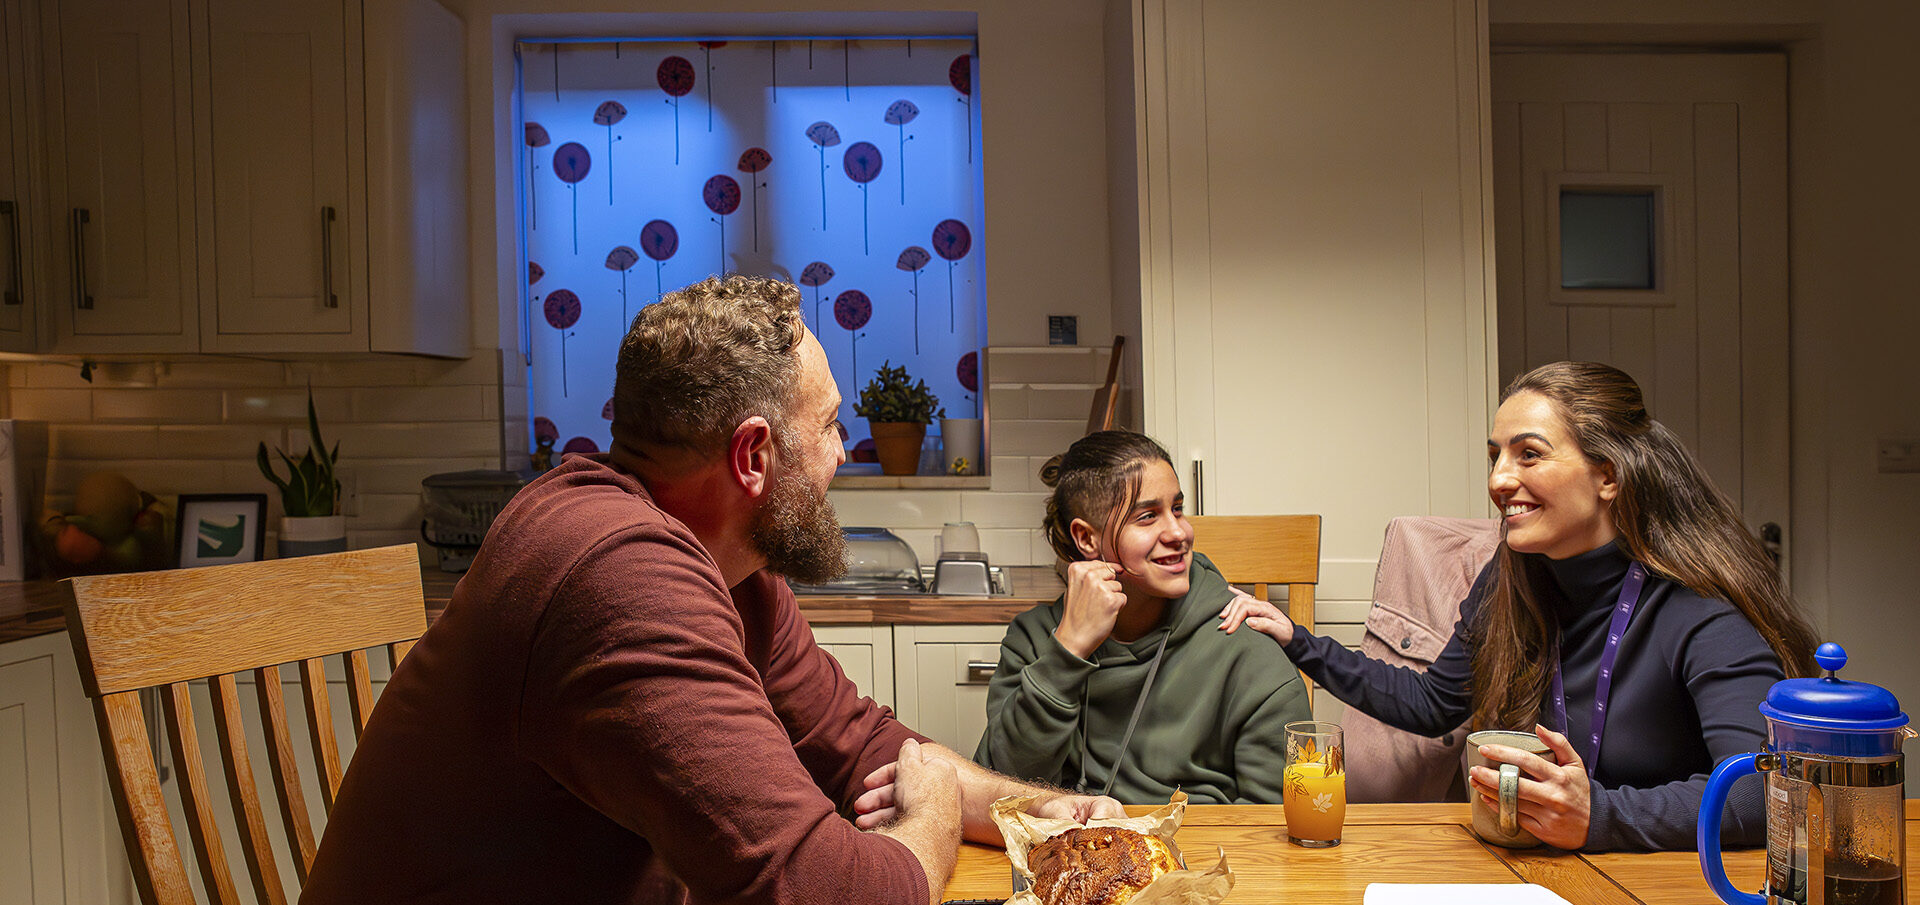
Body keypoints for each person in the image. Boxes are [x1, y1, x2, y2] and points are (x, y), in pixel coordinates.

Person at [302, 275, 1121, 905]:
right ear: (754, 456)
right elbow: (818, 892)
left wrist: (1038, 812)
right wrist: (934, 812)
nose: (845, 449)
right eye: (832, 424)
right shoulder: (618, 575)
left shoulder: (723, 559)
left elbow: (862, 746)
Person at [1220, 361, 1817, 852]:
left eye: (1528, 454)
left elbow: (1760, 794)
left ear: (1607, 476)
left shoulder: (1701, 609)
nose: (1500, 478)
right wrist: (1300, 641)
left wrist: (1600, 816)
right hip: (1547, 871)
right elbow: (1433, 705)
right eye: (1495, 456)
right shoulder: (1508, 581)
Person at [973, 431, 1311, 803]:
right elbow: (1000, 789)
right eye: (1148, 516)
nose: (1180, 532)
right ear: (1087, 539)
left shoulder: (1247, 649)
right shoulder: (1034, 640)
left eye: (1177, 509)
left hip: (1199, 856)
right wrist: (1067, 651)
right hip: (1064, 853)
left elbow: (1274, 820)